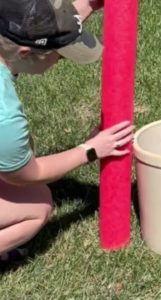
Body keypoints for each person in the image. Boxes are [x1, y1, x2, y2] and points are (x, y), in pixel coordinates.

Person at [0, 0, 134, 264]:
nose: (61, 61)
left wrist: (91, 4)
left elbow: (44, 21)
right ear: (25, 53)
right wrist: (90, 150)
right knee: (37, 204)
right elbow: (26, 175)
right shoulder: (5, 116)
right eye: (59, 55)